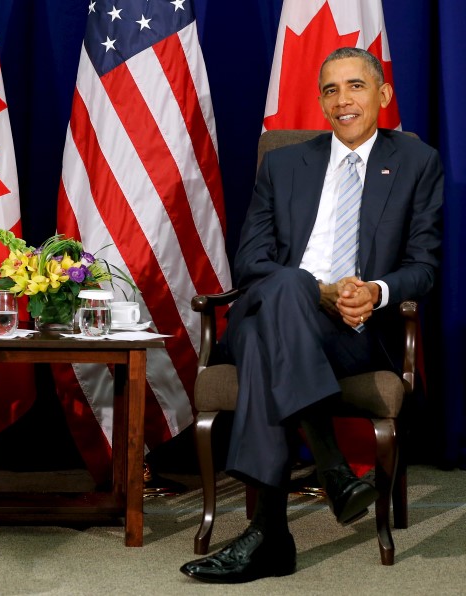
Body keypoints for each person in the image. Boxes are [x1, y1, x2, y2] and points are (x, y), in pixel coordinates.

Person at [180, 47, 444, 583]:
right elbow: (250, 262)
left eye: (355, 86)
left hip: (354, 332)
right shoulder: (283, 164)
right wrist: (314, 290)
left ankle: (271, 534)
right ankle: (331, 466)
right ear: (320, 100)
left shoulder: (418, 162)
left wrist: (375, 289)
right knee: (287, 286)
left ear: (383, 95)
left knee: (261, 339)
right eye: (330, 90)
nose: (342, 100)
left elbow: (423, 267)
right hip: (285, 306)